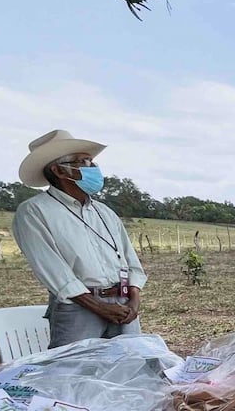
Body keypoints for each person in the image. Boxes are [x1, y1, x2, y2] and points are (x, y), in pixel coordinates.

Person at [12, 129, 147, 348]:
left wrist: (134, 300)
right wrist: (99, 306)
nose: (93, 168)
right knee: (75, 366)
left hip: (123, 305)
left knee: (129, 363)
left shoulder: (104, 212)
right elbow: (53, 269)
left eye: (92, 162)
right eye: (83, 162)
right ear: (59, 170)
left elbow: (130, 260)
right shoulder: (35, 212)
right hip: (78, 308)